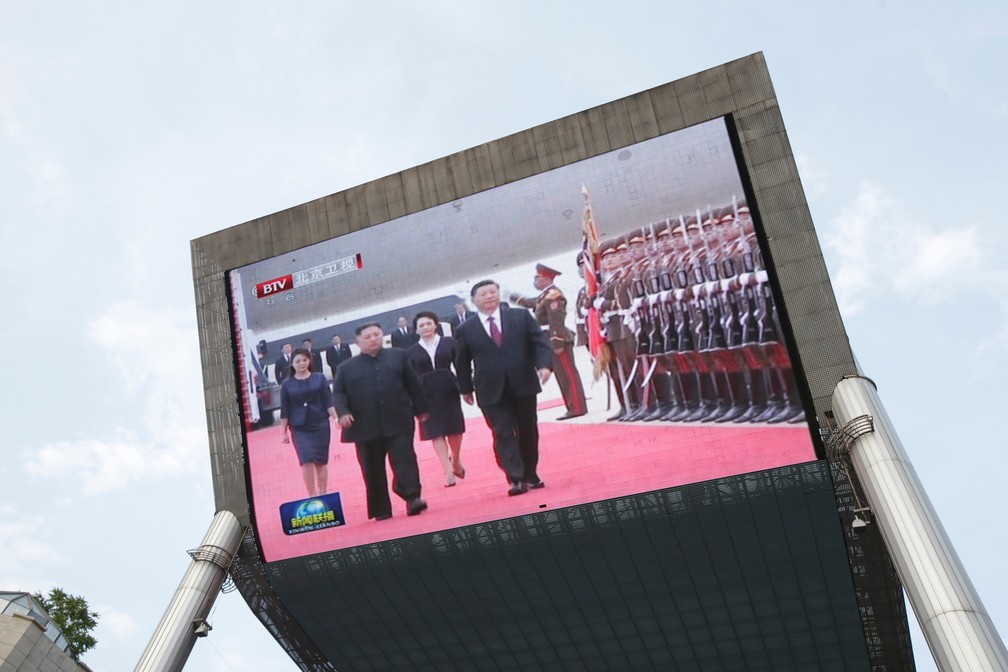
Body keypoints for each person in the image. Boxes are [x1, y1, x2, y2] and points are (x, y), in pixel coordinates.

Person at [454, 280, 553, 496]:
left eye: (493, 292)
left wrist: (545, 365)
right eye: (483, 294)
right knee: (503, 432)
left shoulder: (520, 317)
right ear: (473, 301)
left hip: (523, 383)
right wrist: (465, 388)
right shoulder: (465, 329)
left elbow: (539, 342)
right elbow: (461, 361)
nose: (489, 296)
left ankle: (530, 473)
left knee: (528, 431)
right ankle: (515, 478)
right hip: (489, 389)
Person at [333, 323, 430, 520]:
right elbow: (338, 394)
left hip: (398, 419)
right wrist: (342, 413)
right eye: (367, 337)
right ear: (358, 341)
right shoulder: (346, 368)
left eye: (376, 334)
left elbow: (413, 384)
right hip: (364, 426)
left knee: (405, 460)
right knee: (372, 468)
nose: (373, 339)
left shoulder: (399, 356)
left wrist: (421, 410)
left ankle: (412, 498)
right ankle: (381, 509)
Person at [510, 263, 588, 420]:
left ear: (545, 279)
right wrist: (515, 298)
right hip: (548, 339)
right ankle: (571, 406)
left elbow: (556, 321)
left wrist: (557, 341)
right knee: (561, 375)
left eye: (537, 278)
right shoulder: (545, 295)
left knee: (568, 374)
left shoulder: (554, 296)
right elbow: (533, 303)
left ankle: (578, 407)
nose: (535, 282)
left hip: (557, 339)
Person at [406, 311, 467, 487]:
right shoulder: (411, 352)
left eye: (428, 324)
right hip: (425, 394)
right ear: (416, 330)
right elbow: (409, 378)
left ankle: (455, 459)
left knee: (455, 428)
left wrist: (465, 388)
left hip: (449, 389)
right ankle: (447, 471)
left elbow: (460, 366)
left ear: (435, 325)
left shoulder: (449, 342)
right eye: (421, 325)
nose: (425, 328)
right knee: (435, 431)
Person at [280, 348, 338, 498]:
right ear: (292, 364)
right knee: (306, 459)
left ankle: (323, 494)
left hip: (320, 424)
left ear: (309, 361)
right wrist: (283, 432)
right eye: (298, 361)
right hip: (299, 427)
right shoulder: (287, 385)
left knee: (321, 461)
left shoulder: (319, 378)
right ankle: (312, 495)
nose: (302, 364)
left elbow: (328, 400)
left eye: (305, 360)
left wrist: (336, 417)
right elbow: (285, 410)